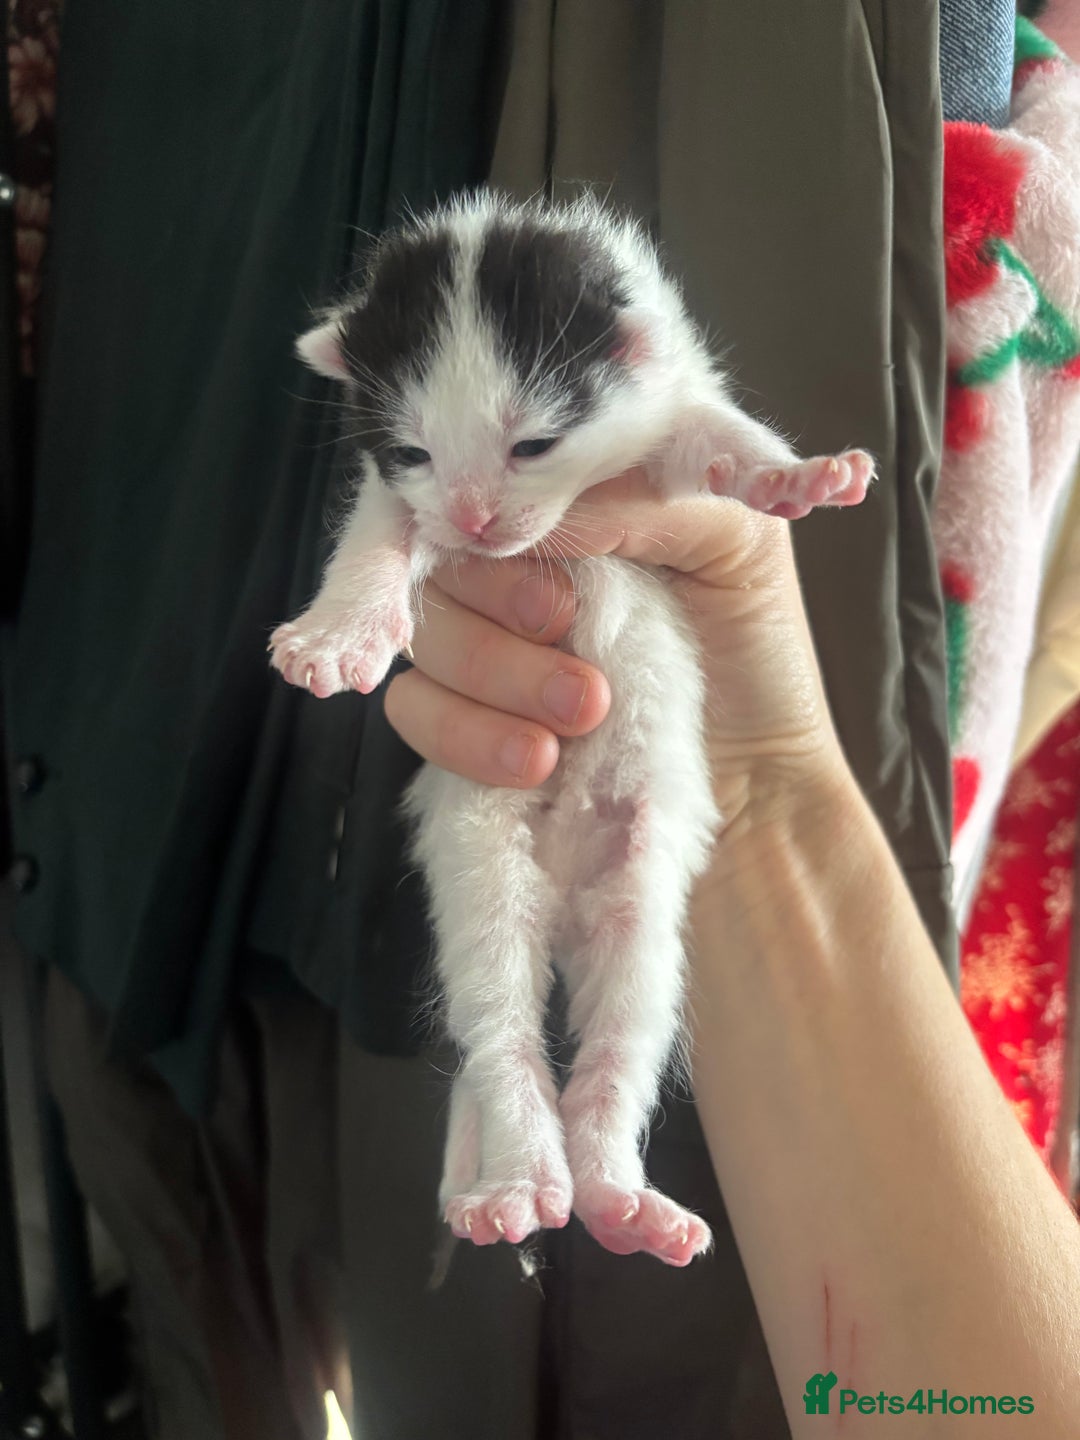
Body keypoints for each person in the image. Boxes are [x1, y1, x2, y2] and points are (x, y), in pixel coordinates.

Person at [384, 466, 1080, 1437]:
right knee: (495, 959)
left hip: (647, 779)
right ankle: (517, 1144)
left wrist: (765, 475)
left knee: (632, 976)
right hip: (534, 773)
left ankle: (599, 1151)